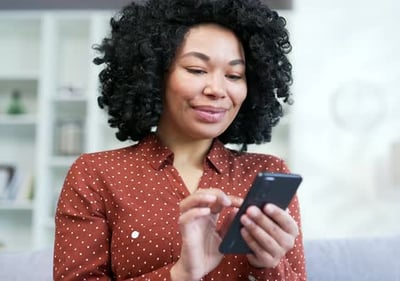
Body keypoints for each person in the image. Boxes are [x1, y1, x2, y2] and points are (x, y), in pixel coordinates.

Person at [53, 0, 305, 280]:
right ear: (153, 73)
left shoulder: (267, 174)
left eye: (234, 75)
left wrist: (270, 265)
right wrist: (181, 273)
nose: (217, 89)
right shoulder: (96, 175)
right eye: (197, 70)